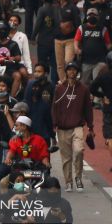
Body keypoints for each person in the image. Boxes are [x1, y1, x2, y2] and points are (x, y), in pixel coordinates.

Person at [52, 61, 93, 191]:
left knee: (79, 151)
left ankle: (78, 178)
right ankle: (68, 182)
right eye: (69, 69)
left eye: (74, 69)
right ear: (66, 72)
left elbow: (88, 109)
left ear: (77, 72)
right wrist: (54, 124)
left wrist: (91, 127)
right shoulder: (59, 89)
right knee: (66, 158)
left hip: (77, 127)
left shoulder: (83, 89)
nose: (72, 72)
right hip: (62, 128)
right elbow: (54, 107)